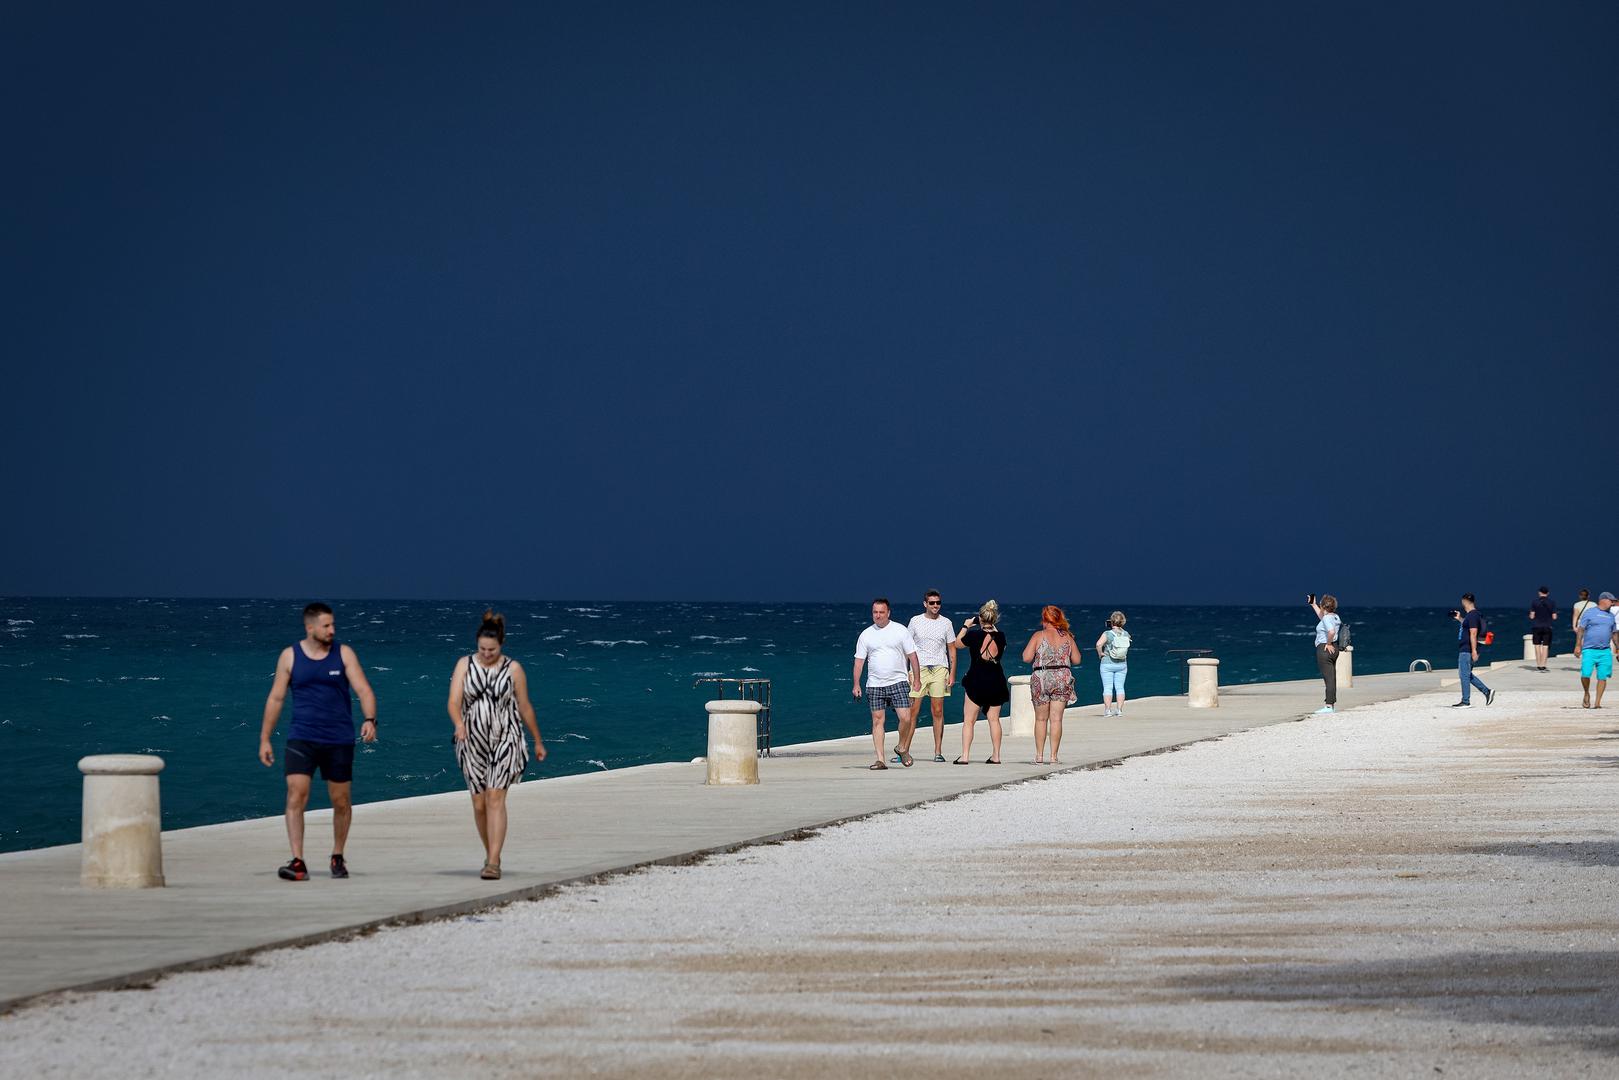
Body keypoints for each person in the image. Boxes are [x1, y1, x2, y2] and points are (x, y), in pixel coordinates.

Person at [257, 602, 378, 881]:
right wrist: (265, 738)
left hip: (338, 739)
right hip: (302, 737)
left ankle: (337, 855)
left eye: (333, 624)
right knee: (296, 794)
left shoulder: (343, 654)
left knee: (341, 800)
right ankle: (298, 861)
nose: (332, 630)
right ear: (309, 627)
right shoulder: (290, 656)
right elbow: (276, 698)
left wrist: (370, 719)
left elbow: (364, 690)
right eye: (326, 626)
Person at [448, 610, 546, 880]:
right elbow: (454, 701)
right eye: (482, 649)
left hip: (506, 738)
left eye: (491, 650)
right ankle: (491, 852)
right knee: (479, 803)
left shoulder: (513, 669)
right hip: (471, 741)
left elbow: (524, 706)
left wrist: (537, 740)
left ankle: (493, 861)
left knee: (494, 797)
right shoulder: (464, 665)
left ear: (501, 645)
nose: (486, 654)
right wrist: (458, 723)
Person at [852, 598, 920, 769]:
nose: (878, 615)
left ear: (888, 613)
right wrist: (856, 684)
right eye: (875, 612)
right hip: (875, 684)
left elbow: (912, 656)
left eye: (881, 612)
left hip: (898, 681)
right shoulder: (866, 634)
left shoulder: (900, 630)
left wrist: (917, 679)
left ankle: (902, 747)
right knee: (877, 721)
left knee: (906, 717)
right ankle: (880, 760)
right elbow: (859, 662)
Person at [1022, 605, 1080, 764]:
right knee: (1056, 720)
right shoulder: (1067, 637)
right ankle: (1053, 757)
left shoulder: (1038, 635)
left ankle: (1039, 756)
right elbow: (1077, 660)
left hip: (1041, 678)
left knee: (1041, 719)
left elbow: (1026, 658)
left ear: (1045, 620)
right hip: (1062, 678)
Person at [954, 600, 1009, 764]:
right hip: (996, 682)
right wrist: (992, 626)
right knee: (994, 720)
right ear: (994, 619)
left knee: (969, 721)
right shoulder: (1001, 636)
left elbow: (957, 643)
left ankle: (965, 756)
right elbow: (1000, 643)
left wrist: (966, 626)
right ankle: (996, 756)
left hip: (976, 681)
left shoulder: (974, 635)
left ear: (980, 618)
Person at [905, 590, 957, 763]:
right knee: (912, 711)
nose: (935, 606)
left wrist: (952, 673)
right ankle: (904, 750)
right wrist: (906, 672)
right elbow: (907, 647)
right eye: (932, 603)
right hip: (918, 670)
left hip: (940, 669)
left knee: (938, 710)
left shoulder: (946, 623)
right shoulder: (915, 621)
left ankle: (938, 751)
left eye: (938, 602)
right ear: (925, 604)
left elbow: (952, 649)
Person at [1574, 591, 1618, 709]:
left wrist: (1618, 649)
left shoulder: (1611, 616)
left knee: (1602, 677)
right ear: (1603, 600)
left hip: (1605, 651)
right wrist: (1578, 645)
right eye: (1611, 601)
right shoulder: (1590, 613)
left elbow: (1614, 634)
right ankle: (1586, 693)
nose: (1613, 603)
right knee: (1585, 674)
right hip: (1589, 650)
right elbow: (1581, 629)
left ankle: (1597, 703)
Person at [1451, 593, 1496, 708]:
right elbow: (1468, 627)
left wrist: (1474, 651)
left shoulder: (1472, 615)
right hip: (1467, 648)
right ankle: (1487, 692)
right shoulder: (1473, 615)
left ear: (1463, 602)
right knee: (1467, 674)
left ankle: (1465, 701)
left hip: (1467, 649)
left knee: (1464, 675)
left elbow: (1473, 633)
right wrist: (1459, 619)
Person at [1308, 594, 1342, 714]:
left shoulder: (1327, 618)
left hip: (1325, 648)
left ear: (1323, 606)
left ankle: (1328, 706)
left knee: (1329, 678)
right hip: (1334, 648)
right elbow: (1322, 617)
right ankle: (1331, 705)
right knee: (1331, 677)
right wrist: (1313, 604)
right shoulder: (1335, 617)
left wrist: (1328, 643)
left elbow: (1331, 631)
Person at [1094, 611, 1131, 717]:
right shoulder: (1126, 634)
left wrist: (1100, 653)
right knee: (1120, 687)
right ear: (1122, 622)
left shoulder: (1107, 634)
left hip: (1107, 664)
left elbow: (1098, 644)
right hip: (1122, 664)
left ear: (1111, 622)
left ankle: (1108, 710)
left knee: (1107, 687)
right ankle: (1119, 710)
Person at [1528, 586, 1558, 671]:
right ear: (1548, 593)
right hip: (1547, 627)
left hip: (1536, 626)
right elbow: (1554, 617)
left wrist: (1532, 615)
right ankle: (1543, 665)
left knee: (1537, 646)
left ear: (1539, 592)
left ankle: (1538, 665)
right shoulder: (1552, 602)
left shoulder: (1534, 602)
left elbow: (1532, 616)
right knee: (1545, 646)